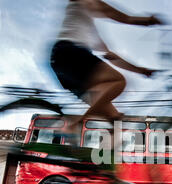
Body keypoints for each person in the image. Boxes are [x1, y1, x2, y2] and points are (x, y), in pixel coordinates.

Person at [50, 0, 164, 128]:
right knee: (119, 81)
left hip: (62, 65)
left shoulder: (87, 28)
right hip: (69, 53)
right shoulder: (86, 1)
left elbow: (111, 57)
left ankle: (75, 135)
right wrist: (148, 20)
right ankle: (77, 124)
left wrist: (140, 70)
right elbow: (125, 18)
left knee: (115, 119)